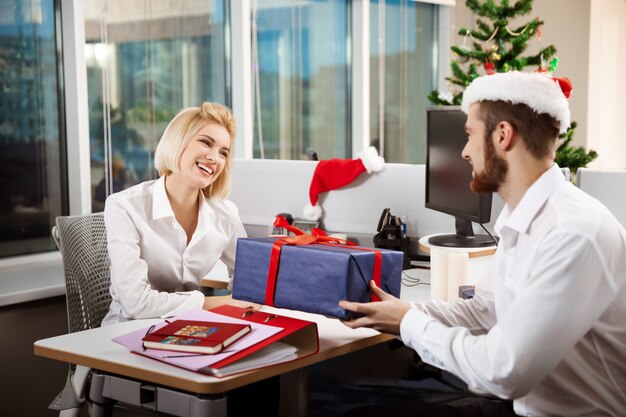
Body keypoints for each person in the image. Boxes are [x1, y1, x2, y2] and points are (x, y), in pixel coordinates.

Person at [339, 71, 626, 416]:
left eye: (469, 134)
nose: (463, 152)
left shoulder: (574, 232)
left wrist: (408, 325)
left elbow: (504, 372)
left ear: (503, 135)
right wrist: (401, 312)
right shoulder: (524, 217)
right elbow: (485, 310)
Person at [102, 102, 259, 326]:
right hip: (127, 334)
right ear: (178, 142)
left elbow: (249, 277)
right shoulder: (124, 207)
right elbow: (134, 303)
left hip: (192, 329)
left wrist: (243, 300)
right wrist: (215, 303)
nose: (214, 158)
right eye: (206, 142)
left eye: (223, 153)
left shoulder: (225, 213)